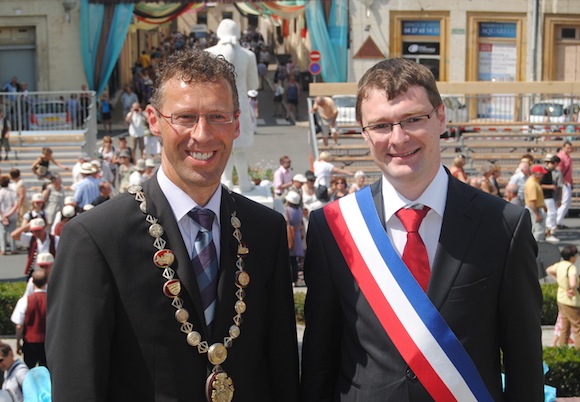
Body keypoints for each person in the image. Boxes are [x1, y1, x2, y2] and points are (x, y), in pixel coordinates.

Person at [46, 48, 299, 402]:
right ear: (154, 121)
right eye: (185, 117)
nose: (203, 134)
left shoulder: (265, 230)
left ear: (237, 124)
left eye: (217, 116)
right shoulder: (95, 240)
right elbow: (77, 387)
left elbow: (282, 374)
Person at [300, 58, 543, 401]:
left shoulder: (504, 224)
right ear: (364, 132)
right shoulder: (334, 226)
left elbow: (524, 361)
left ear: (441, 117)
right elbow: (319, 361)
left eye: (413, 119)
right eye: (381, 125)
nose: (398, 138)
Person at [206, 18, 260, 193]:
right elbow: (253, 84)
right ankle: (244, 181)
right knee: (241, 148)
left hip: (217, 107)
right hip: (240, 106)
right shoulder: (248, 55)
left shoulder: (208, 53)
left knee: (223, 146)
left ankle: (226, 180)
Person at [11, 269, 48, 368]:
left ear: (32, 281)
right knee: (46, 373)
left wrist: (18, 343)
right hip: (47, 343)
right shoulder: (51, 300)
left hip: (30, 342)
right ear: (46, 281)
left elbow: (19, 326)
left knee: (29, 370)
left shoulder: (25, 301)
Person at [546, 245, 580, 349]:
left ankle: (562, 349)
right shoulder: (571, 267)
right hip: (571, 301)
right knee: (577, 326)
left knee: (565, 326)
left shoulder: (560, 265)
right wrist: (572, 290)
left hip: (561, 298)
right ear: (572, 257)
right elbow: (573, 283)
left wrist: (559, 281)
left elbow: (548, 270)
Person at [284, 191, 304, 286]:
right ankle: (295, 280)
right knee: (294, 260)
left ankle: (290, 279)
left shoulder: (287, 209)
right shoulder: (300, 210)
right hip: (296, 235)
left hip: (289, 235)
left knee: (288, 260)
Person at [525, 165, 547, 242]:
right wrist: (537, 214)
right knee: (539, 230)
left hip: (536, 208)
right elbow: (532, 201)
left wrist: (543, 206)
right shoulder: (532, 184)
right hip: (534, 209)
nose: (543, 175)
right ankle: (538, 247)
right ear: (536, 174)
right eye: (541, 173)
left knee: (536, 229)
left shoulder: (535, 182)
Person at [541, 154, 560, 243]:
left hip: (548, 196)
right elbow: (540, 185)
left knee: (551, 214)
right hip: (546, 196)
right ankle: (548, 233)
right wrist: (551, 186)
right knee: (551, 214)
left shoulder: (548, 172)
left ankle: (548, 231)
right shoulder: (545, 172)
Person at [556, 141, 573, 229]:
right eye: (567, 148)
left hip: (568, 181)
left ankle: (560, 221)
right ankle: (557, 221)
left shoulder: (568, 157)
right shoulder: (561, 156)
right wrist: (563, 181)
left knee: (567, 202)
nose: (569, 150)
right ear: (563, 147)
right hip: (564, 183)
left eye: (570, 148)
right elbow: (559, 170)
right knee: (564, 202)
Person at [0, 175, 18, 255]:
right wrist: (9, 213)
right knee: (12, 232)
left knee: (2, 233)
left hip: (2, 216)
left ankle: (3, 249)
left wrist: (3, 215)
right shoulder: (12, 192)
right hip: (12, 215)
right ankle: (13, 248)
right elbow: (16, 204)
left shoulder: (1, 192)